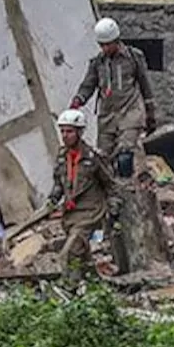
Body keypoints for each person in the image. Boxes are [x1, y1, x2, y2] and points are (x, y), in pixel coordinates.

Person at [70, 18, 157, 180]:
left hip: (130, 113)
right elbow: (88, 84)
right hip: (107, 117)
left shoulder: (133, 57)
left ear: (116, 40)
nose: (105, 48)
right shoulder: (98, 63)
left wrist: (150, 113)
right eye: (101, 45)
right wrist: (78, 100)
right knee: (103, 159)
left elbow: (145, 85)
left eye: (108, 44)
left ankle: (127, 187)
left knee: (125, 155)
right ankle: (110, 191)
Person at [48, 108, 119, 280]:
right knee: (82, 254)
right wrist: (53, 199)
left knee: (70, 252)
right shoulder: (62, 157)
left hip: (91, 213)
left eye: (69, 131)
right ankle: (91, 282)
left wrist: (114, 208)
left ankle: (68, 287)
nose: (65, 136)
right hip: (70, 214)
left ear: (79, 132)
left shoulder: (93, 157)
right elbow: (59, 183)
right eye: (62, 131)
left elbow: (110, 184)